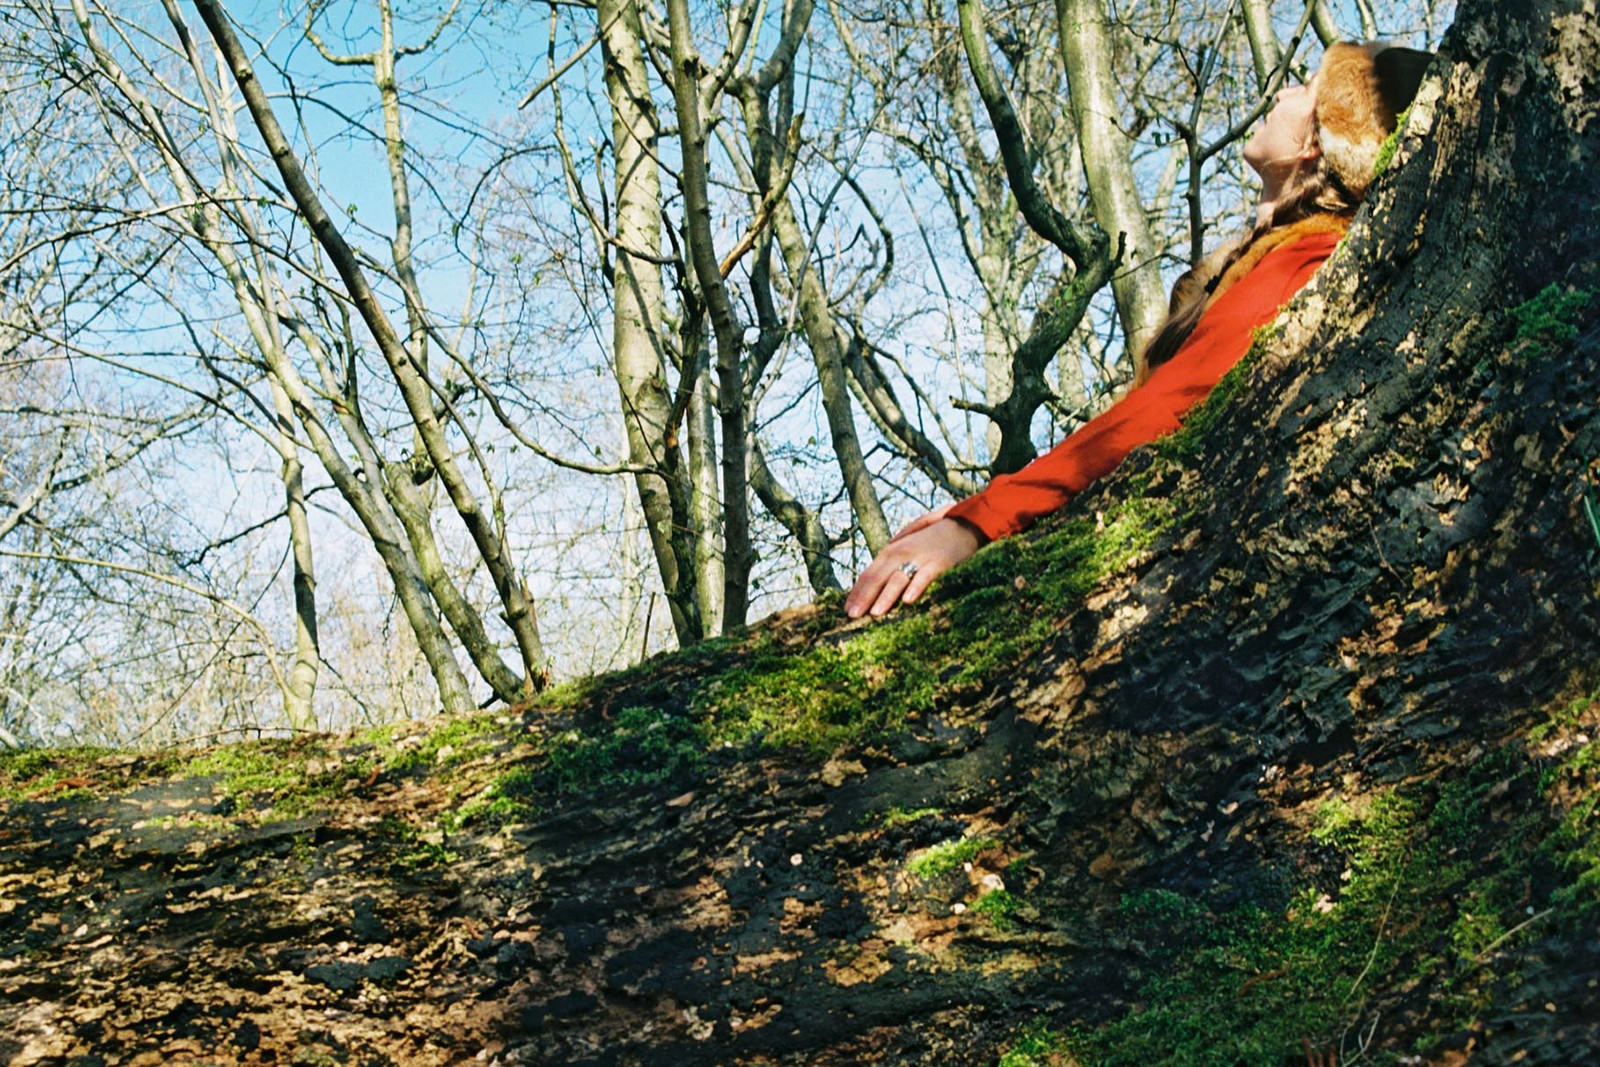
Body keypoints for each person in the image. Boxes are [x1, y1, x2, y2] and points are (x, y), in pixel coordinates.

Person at [845, 41, 1433, 619]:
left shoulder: (1306, 260)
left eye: (1305, 87)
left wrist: (978, 521)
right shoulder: (1274, 259)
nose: (1282, 93)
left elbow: (1163, 411)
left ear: (1318, 140)